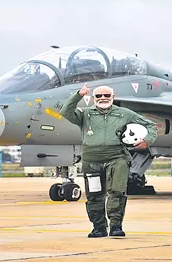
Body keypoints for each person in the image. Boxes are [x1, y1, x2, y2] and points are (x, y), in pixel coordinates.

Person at [60, 83, 157, 238]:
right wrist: (78, 94)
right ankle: (98, 228)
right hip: (91, 160)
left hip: (116, 157)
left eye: (107, 95)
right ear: (93, 98)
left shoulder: (125, 114)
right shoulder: (85, 114)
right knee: (94, 194)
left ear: (113, 97)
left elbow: (151, 125)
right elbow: (65, 112)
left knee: (117, 192)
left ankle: (116, 226)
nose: (103, 98)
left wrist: (147, 140)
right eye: (99, 96)